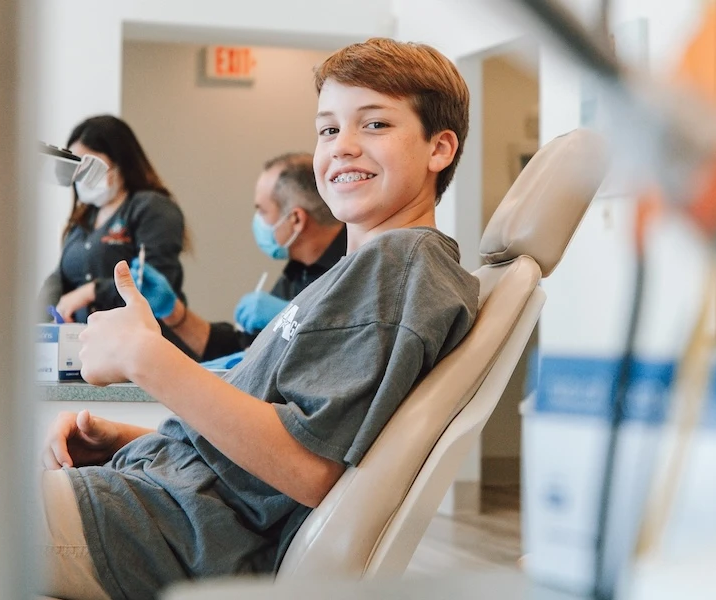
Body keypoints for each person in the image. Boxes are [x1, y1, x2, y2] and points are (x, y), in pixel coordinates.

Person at [39, 37, 478, 600]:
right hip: (159, 499)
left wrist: (147, 358)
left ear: (440, 148)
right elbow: (271, 443)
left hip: (174, 533)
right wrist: (127, 437)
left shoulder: (399, 264)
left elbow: (309, 470)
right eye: (327, 129)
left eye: (374, 125)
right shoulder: (358, 273)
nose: (342, 147)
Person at [130, 152, 347, 362]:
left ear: (296, 219)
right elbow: (243, 349)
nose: (257, 221)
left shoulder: (354, 267)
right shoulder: (297, 272)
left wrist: (292, 316)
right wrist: (173, 312)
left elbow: (349, 352)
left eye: (262, 211)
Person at [37, 115, 199, 358]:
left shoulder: (151, 208)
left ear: (120, 161)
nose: (82, 175)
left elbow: (153, 279)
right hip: (91, 352)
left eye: (89, 164)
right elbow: (62, 276)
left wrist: (92, 290)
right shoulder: (84, 219)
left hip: (145, 351)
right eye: (76, 167)